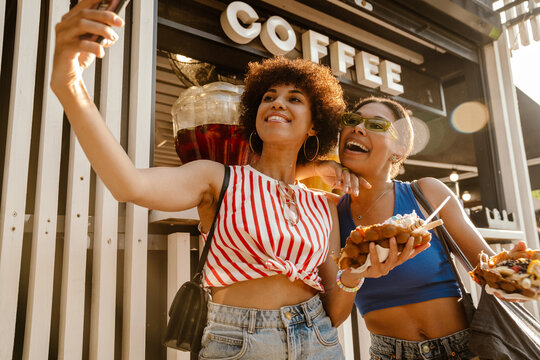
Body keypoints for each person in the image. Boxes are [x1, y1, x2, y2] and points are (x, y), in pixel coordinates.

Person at [51, 2, 427, 358]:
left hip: (318, 339)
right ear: (255, 113)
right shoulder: (217, 178)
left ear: (315, 124)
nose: (278, 103)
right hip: (238, 342)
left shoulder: (323, 204)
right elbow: (128, 184)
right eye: (269, 96)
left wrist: (356, 276)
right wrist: (69, 83)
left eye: (295, 98)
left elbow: (335, 309)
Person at [304, 96, 529, 360]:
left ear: (398, 149)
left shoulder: (426, 192)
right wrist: (316, 166)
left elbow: (490, 271)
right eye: (352, 120)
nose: (358, 128)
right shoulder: (330, 212)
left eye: (376, 124)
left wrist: (519, 272)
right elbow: (332, 316)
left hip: (464, 349)